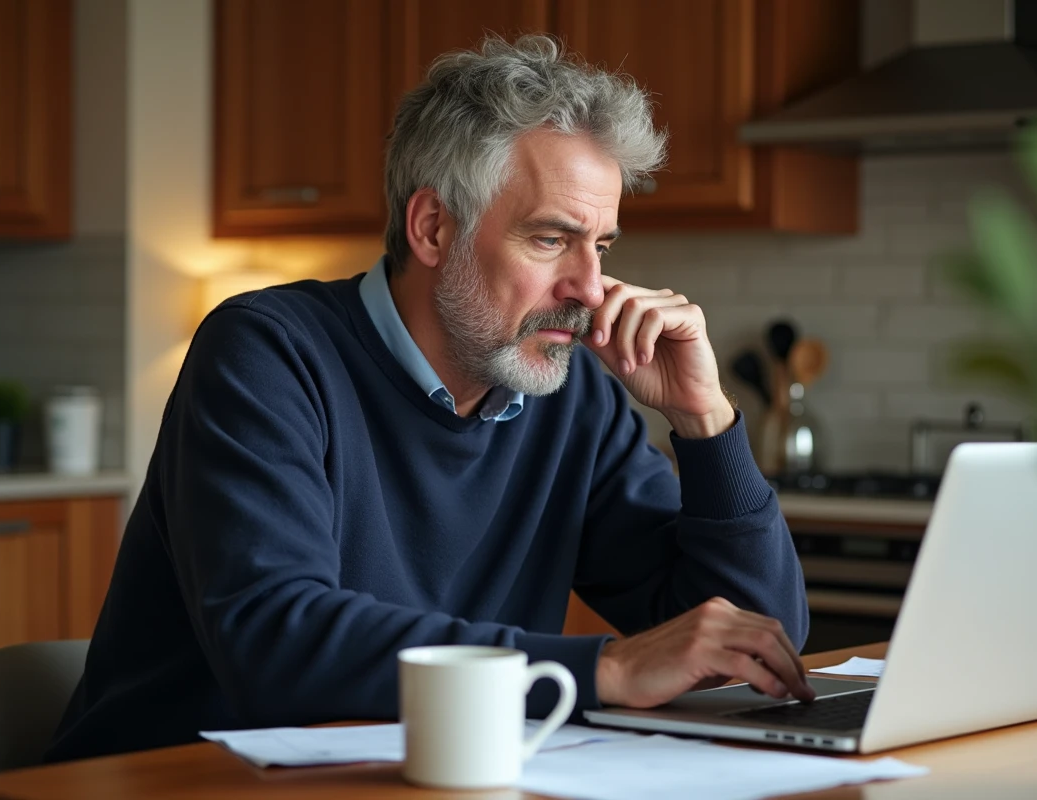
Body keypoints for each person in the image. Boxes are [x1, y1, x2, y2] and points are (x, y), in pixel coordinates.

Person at [45, 35, 812, 763]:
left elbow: (756, 642)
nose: (588, 287)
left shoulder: (568, 393)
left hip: (420, 775)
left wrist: (705, 423)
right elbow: (274, 638)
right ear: (433, 226)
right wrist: (600, 670)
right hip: (177, 781)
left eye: (601, 246)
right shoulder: (267, 352)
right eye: (551, 239)